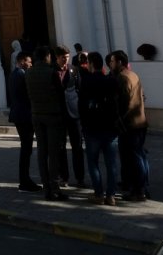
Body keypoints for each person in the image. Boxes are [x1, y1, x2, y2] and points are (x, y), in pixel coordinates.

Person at [25, 45, 68, 201]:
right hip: (53, 115)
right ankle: (55, 187)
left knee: (42, 152)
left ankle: (46, 187)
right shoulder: (52, 73)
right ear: (47, 57)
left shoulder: (28, 73)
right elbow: (60, 95)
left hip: (37, 115)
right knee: (54, 153)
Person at [79, 51, 120, 206]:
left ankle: (98, 194)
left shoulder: (86, 82)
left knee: (93, 161)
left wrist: (83, 125)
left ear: (90, 64)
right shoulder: (111, 81)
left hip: (92, 128)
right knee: (111, 163)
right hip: (110, 128)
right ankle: (111, 195)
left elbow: (81, 106)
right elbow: (117, 104)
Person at [112, 50, 149, 202]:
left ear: (119, 62)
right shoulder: (133, 75)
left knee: (134, 158)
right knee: (139, 156)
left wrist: (117, 119)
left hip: (129, 124)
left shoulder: (121, 78)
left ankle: (138, 191)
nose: (111, 64)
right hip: (140, 122)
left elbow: (121, 102)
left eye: (113, 61)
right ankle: (141, 186)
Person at [8, 50, 40, 192]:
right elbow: (28, 95)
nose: (31, 64)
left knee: (26, 149)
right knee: (26, 149)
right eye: (29, 61)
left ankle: (25, 180)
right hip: (24, 116)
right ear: (22, 61)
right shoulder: (22, 75)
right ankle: (24, 181)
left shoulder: (14, 74)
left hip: (19, 115)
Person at [56, 46, 85, 189]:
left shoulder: (74, 70)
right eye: (63, 57)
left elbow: (80, 89)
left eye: (67, 56)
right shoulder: (52, 71)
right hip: (60, 114)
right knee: (61, 148)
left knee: (77, 147)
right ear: (57, 57)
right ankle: (64, 177)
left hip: (74, 114)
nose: (65, 59)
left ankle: (80, 178)